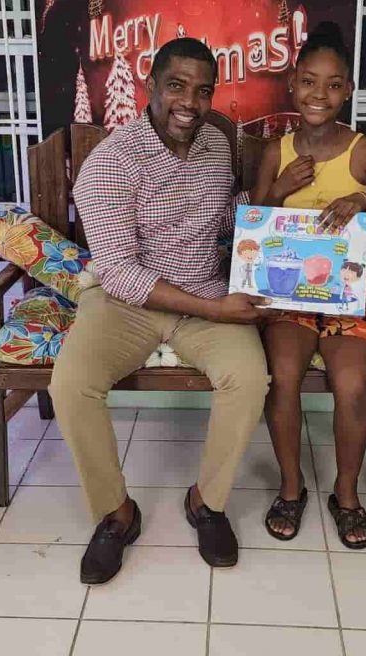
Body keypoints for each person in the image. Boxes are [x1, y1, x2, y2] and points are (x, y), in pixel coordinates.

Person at [49, 37, 271, 585]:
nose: (190, 102)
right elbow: (120, 273)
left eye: (203, 90)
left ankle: (207, 503)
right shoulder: (110, 163)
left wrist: (271, 198)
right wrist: (215, 309)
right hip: (128, 302)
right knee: (70, 385)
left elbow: (220, 220)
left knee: (249, 379)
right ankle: (116, 513)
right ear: (150, 84)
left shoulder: (215, 143)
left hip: (204, 291)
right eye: (176, 86)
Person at [250, 21, 366, 549]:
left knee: (353, 385)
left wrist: (365, 200)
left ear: (348, 91)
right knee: (283, 376)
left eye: (334, 84)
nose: (320, 94)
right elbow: (253, 228)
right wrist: (279, 189)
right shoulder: (276, 152)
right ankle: (291, 487)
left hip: (349, 292)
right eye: (310, 82)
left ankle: (346, 494)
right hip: (287, 291)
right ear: (293, 85)